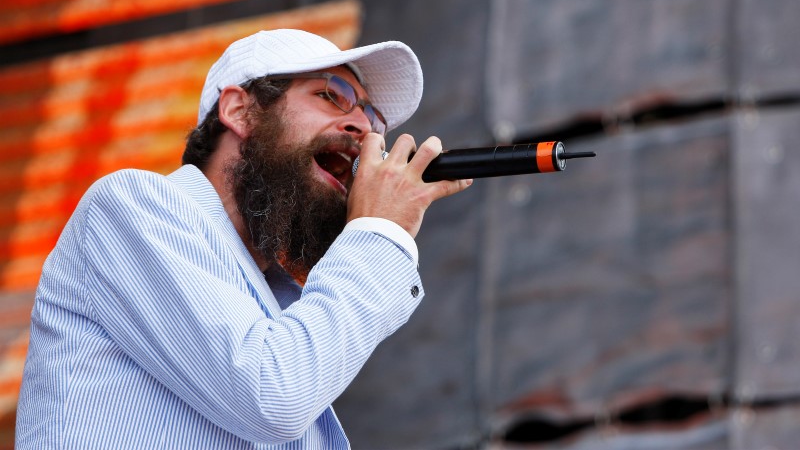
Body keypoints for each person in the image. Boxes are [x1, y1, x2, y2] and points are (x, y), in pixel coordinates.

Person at [15, 29, 472, 449]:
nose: (365, 129)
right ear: (239, 110)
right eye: (334, 95)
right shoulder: (133, 205)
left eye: (374, 119)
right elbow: (274, 393)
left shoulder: (285, 311)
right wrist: (380, 232)